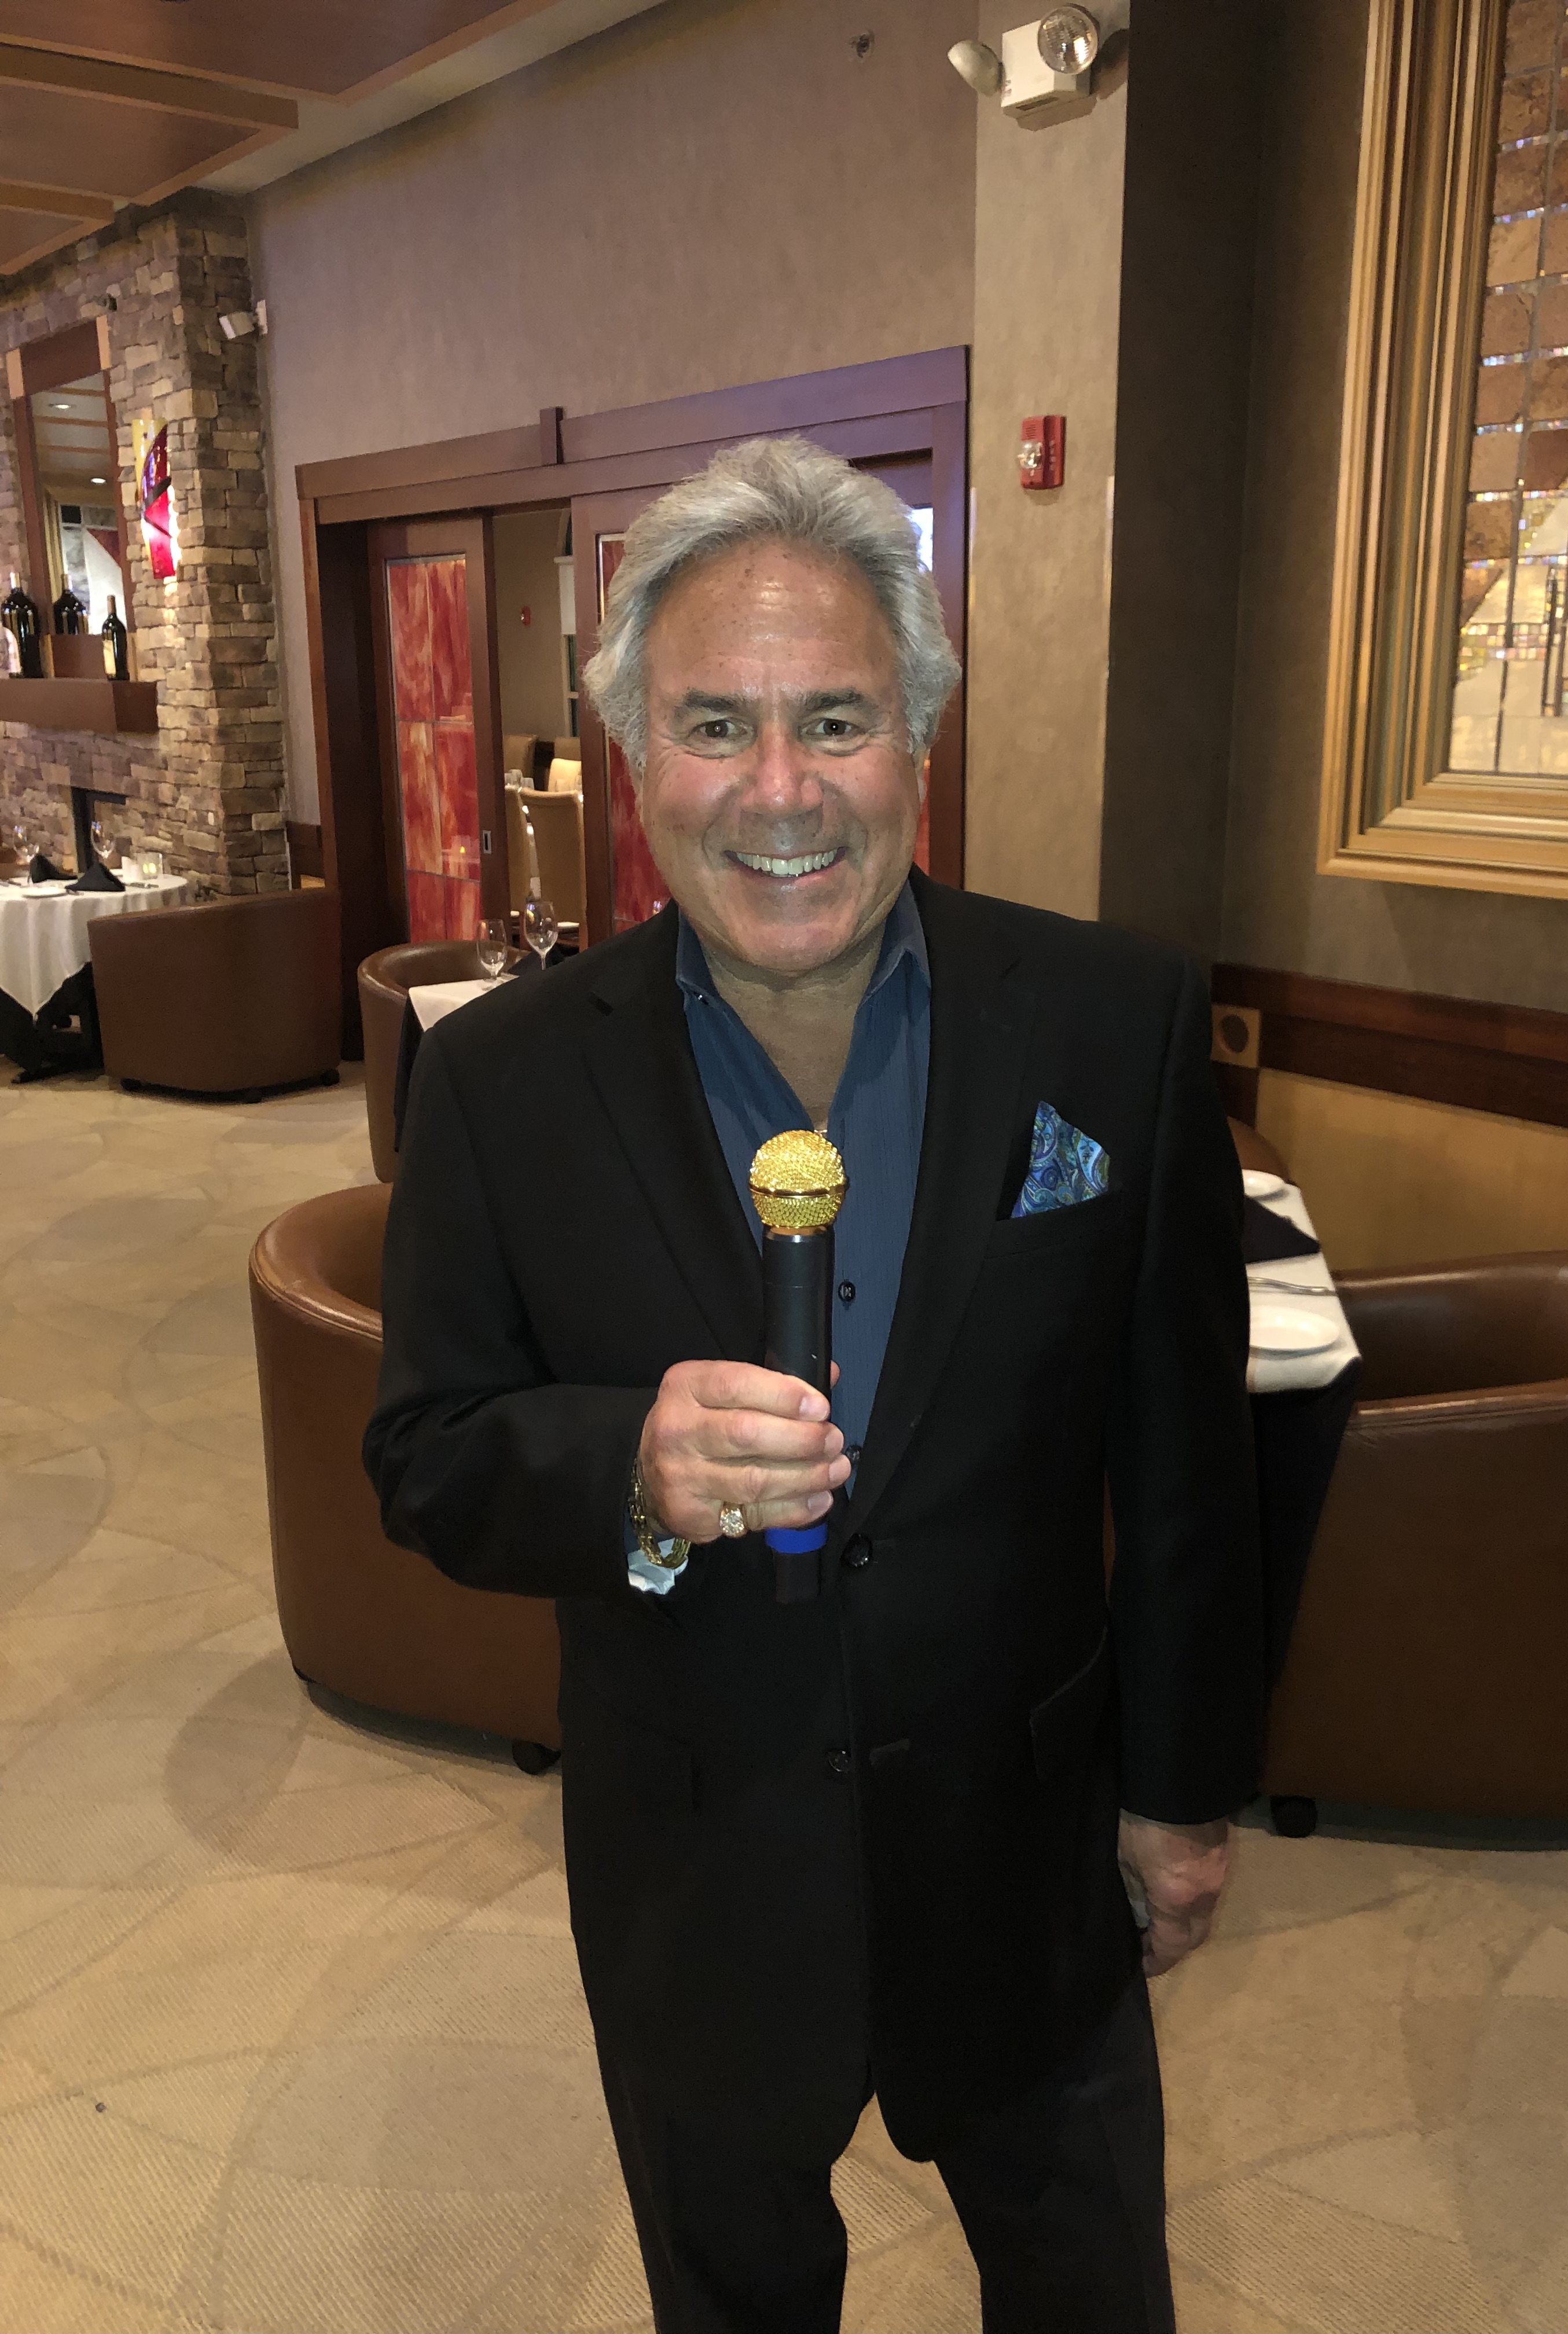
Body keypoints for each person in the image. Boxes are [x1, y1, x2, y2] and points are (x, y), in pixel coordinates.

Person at [365, 436, 1262, 2334]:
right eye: (716, 725)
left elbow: (1189, 1459)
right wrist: (627, 1469)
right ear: (636, 762)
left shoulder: (1116, 1019)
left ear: (917, 740)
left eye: (836, 719)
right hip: (695, 1870)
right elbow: (427, 1455)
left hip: (1025, 1852)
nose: (782, 790)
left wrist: (1182, 1796)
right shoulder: (501, 1080)